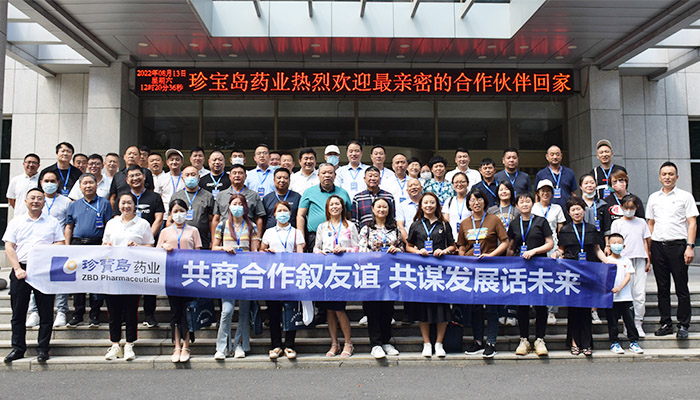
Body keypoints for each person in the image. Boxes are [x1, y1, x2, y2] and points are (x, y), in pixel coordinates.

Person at [2, 187, 65, 363]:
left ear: (44, 202)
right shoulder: (16, 222)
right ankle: (18, 348)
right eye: (32, 198)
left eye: (39, 198)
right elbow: (9, 246)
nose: (36, 201)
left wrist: (44, 249)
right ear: (25, 201)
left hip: (43, 270)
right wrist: (17, 269)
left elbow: (61, 243)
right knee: (18, 313)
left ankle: (43, 349)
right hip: (21, 269)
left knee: (46, 312)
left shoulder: (52, 222)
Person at [646, 161, 698, 339]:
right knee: (662, 288)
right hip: (658, 246)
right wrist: (649, 249)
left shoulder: (685, 196)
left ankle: (683, 325)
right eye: (664, 174)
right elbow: (650, 224)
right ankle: (666, 323)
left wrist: (690, 246)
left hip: (678, 246)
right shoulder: (654, 197)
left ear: (676, 177)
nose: (667, 177)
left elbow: (692, 223)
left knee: (681, 287)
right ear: (659, 177)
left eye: (671, 174)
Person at [551, 197, 607, 356]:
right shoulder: (565, 230)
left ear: (584, 210)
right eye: (573, 210)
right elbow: (562, 249)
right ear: (569, 213)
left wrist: (608, 262)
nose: (576, 212)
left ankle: (587, 344)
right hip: (572, 274)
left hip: (588, 273)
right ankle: (574, 342)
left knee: (586, 310)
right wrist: (556, 254)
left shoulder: (591, 228)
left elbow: (597, 250)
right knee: (574, 310)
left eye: (579, 209)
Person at [102, 192, 154, 361]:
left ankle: (129, 344)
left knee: (131, 310)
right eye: (123, 203)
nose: (126, 206)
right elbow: (104, 244)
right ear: (118, 205)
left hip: (133, 274)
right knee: (113, 311)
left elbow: (151, 246)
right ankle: (115, 344)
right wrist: (107, 245)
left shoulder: (143, 224)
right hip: (113, 273)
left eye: (129, 203)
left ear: (134, 205)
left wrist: (138, 246)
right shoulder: (111, 223)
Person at [458, 189, 508, 359]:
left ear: (485, 201)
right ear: (468, 204)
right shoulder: (465, 223)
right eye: (472, 200)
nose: (476, 203)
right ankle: (478, 341)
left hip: (490, 269)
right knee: (475, 307)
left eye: (479, 199)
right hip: (472, 271)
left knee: (491, 307)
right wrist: (463, 259)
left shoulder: (494, 220)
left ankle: (491, 342)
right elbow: (461, 246)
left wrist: (492, 255)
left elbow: (505, 242)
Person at [406, 192, 455, 358]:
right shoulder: (416, 225)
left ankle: (439, 343)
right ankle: (426, 343)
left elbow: (453, 246)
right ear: (421, 205)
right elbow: (408, 246)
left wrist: (445, 250)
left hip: (440, 271)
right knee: (424, 308)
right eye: (425, 202)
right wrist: (418, 251)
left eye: (432, 202)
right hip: (422, 272)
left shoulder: (444, 224)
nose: (429, 205)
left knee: (442, 308)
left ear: (437, 205)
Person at [212, 194, 259, 360]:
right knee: (227, 310)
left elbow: (255, 251)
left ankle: (240, 344)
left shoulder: (251, 226)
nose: (237, 207)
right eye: (234, 203)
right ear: (229, 206)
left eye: (240, 204)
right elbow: (214, 247)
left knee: (244, 312)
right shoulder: (222, 225)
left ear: (245, 207)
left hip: (246, 271)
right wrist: (224, 248)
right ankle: (222, 347)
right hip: (227, 271)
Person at [507, 193, 554, 356]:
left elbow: (550, 243)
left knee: (540, 303)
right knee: (523, 304)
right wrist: (508, 264)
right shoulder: (514, 223)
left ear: (533, 203)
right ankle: (524, 340)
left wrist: (534, 251)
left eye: (527, 201)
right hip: (521, 268)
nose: (524, 204)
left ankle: (540, 339)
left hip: (539, 267)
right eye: (521, 202)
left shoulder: (541, 221)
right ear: (517, 206)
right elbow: (511, 247)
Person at [118, 165, 165, 327]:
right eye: (131, 176)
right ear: (127, 180)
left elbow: (158, 219)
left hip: (148, 247)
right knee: (126, 282)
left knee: (149, 281)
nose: (135, 178)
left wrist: (145, 238)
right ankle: (124, 315)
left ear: (144, 177)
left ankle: (149, 315)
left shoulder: (154, 197)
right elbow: (117, 219)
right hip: (126, 249)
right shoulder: (124, 198)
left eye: (138, 175)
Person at [64, 173, 112, 328]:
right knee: (78, 281)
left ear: (96, 185)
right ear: (80, 186)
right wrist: (67, 246)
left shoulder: (104, 203)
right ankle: (78, 314)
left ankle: (94, 314)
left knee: (95, 281)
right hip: (78, 245)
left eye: (91, 182)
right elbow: (69, 226)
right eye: (85, 183)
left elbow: (109, 226)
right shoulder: (74, 205)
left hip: (97, 244)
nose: (88, 186)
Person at [314, 195, 359, 358]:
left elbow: (358, 248)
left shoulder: (350, 226)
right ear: (327, 208)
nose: (334, 207)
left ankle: (348, 343)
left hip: (343, 271)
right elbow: (316, 248)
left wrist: (345, 250)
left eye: (337, 204)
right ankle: (334, 343)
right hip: (327, 271)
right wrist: (321, 252)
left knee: (339, 308)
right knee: (329, 310)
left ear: (342, 207)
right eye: (331, 204)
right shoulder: (322, 227)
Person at [157, 198, 202, 363]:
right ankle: (176, 345)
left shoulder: (193, 231)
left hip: (189, 276)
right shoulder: (165, 232)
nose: (178, 214)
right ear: (170, 214)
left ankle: (186, 345)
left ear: (187, 213)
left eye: (181, 211)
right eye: (175, 211)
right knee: (175, 312)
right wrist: (164, 247)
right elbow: (156, 252)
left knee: (188, 311)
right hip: (172, 277)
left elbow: (199, 253)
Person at [26, 171, 72, 329]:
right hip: (39, 249)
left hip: (58, 245)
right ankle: (34, 312)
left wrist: (66, 245)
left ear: (58, 183)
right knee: (36, 280)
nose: (49, 183)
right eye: (46, 180)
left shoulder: (66, 201)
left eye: (53, 181)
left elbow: (68, 224)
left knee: (61, 279)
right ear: (41, 183)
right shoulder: (36, 200)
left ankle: (61, 311)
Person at [358, 197, 403, 359]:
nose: (382, 209)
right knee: (373, 309)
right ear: (373, 209)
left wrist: (396, 250)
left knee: (387, 308)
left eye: (385, 207)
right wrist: (375, 255)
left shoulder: (395, 229)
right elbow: (361, 251)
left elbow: (402, 249)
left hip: (389, 273)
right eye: (379, 207)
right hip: (371, 273)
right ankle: (375, 344)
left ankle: (386, 341)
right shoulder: (366, 229)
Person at [261, 201, 306, 360]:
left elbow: (300, 255)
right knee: (273, 313)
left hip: (291, 275)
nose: (282, 213)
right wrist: (267, 252)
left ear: (290, 213)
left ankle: (289, 345)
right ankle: (275, 345)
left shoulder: (296, 233)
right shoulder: (269, 232)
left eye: (285, 210)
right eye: (279, 211)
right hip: (273, 276)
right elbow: (261, 251)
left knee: (291, 311)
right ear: (274, 215)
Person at [611, 195, 651, 337]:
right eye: (626, 208)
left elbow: (645, 241)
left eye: (631, 208)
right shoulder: (617, 223)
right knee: (626, 294)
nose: (629, 210)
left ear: (636, 208)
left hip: (639, 258)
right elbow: (613, 241)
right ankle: (627, 324)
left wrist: (648, 259)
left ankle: (638, 322)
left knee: (639, 293)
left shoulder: (641, 222)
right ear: (621, 207)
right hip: (623, 260)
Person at [532, 179, 566, 324]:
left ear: (552, 193)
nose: (545, 193)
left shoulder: (557, 208)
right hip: (536, 247)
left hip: (553, 247)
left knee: (553, 280)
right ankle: (538, 312)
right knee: (537, 279)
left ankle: (552, 312)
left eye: (548, 191)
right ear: (538, 193)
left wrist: (560, 249)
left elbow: (560, 231)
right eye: (542, 191)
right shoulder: (533, 207)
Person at [297, 163, 351, 252]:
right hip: (314, 236)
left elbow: (349, 216)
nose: (327, 175)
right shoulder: (309, 192)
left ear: (335, 175)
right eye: (324, 173)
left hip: (340, 236)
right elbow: (300, 215)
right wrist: (301, 238)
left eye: (330, 173)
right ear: (318, 175)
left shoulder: (343, 193)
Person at [605, 233, 644, 355]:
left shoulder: (626, 260)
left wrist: (619, 287)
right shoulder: (606, 260)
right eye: (614, 243)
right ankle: (614, 342)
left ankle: (633, 342)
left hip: (626, 297)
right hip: (612, 298)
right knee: (613, 322)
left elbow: (628, 276)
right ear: (609, 245)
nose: (617, 245)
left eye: (619, 243)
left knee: (630, 321)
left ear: (624, 246)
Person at [213, 164, 266, 239]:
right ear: (230, 176)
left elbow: (258, 218)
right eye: (234, 173)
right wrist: (213, 240)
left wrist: (258, 238)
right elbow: (216, 218)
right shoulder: (221, 195)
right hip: (225, 236)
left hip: (248, 236)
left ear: (245, 176)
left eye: (240, 173)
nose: (237, 175)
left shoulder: (253, 195)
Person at [170, 166, 215, 249]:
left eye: (193, 174)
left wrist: (213, 241)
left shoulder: (208, 196)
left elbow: (211, 221)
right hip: (180, 240)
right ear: (182, 178)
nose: (190, 177)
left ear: (198, 177)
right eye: (187, 175)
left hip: (202, 239)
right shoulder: (176, 196)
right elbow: (170, 219)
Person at [601, 170, 646, 247]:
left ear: (626, 181)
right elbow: (606, 226)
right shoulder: (607, 201)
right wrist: (608, 245)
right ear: (611, 185)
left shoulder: (635, 199)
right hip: (615, 242)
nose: (618, 183)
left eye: (621, 180)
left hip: (634, 238)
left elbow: (641, 221)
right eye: (615, 182)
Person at [108, 145, 155, 209]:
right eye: (129, 154)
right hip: (123, 210)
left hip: (143, 209)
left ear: (139, 157)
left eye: (135, 154)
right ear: (124, 157)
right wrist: (115, 212)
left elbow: (151, 191)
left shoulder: (146, 172)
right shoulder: (118, 176)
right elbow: (113, 197)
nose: (131, 156)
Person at [534, 145, 577, 209]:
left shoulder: (570, 173)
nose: (555, 157)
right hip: (547, 210)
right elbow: (537, 195)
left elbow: (573, 193)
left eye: (557, 154)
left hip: (566, 209)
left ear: (561, 156)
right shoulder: (541, 174)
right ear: (547, 156)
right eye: (552, 154)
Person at [442, 172, 471, 240]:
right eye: (456, 182)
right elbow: (446, 223)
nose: (459, 184)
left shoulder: (472, 200)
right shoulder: (449, 201)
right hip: (453, 239)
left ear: (467, 183)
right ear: (453, 185)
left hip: (469, 238)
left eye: (462, 182)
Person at [396, 178, 423, 244]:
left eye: (416, 185)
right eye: (410, 186)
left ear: (421, 188)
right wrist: (409, 244)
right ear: (407, 191)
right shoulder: (402, 206)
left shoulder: (427, 204)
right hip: (408, 240)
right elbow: (400, 226)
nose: (413, 187)